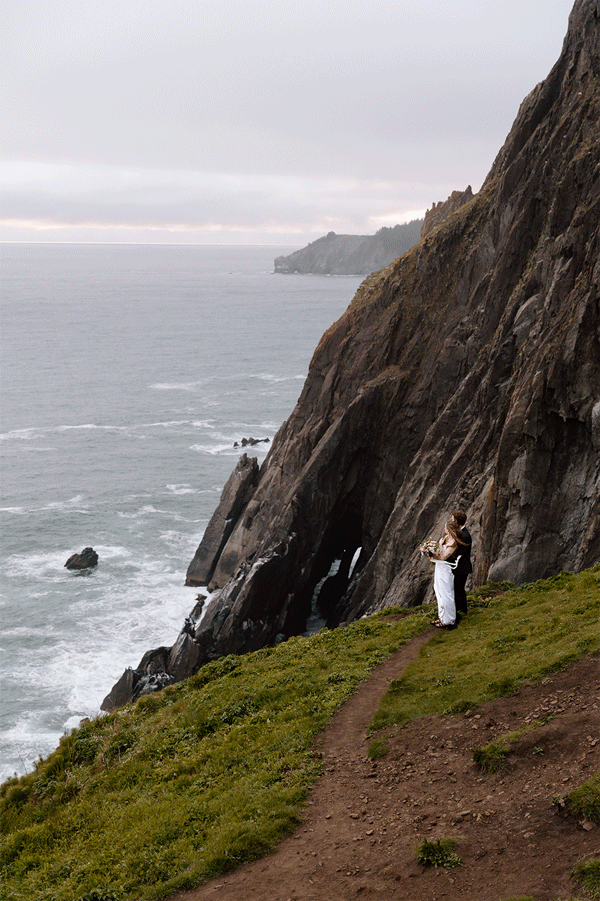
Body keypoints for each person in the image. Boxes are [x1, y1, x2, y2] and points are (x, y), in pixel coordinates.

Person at [428, 520, 467, 630]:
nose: (444, 529)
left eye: (446, 527)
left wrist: (440, 546)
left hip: (445, 569)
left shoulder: (454, 542)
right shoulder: (446, 538)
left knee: (446, 594)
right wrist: (430, 550)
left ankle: (449, 620)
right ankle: (442, 617)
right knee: (439, 591)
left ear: (450, 530)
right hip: (440, 567)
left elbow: (444, 557)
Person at [451, 509, 472, 619]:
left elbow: (458, 553)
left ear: (456, 521)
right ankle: (460, 610)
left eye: (452, 519)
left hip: (462, 568)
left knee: (459, 590)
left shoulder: (465, 536)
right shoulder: (461, 533)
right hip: (460, 567)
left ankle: (461, 611)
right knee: (458, 589)